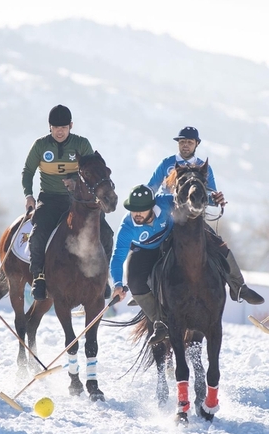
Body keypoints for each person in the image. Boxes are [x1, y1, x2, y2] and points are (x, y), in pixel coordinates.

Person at [147, 126, 263, 305]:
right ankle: (144, 290)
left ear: (196, 144)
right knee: (149, 247)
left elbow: (209, 195)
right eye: (182, 142)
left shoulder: (204, 167)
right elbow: (151, 189)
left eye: (189, 142)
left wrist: (216, 199)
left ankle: (239, 287)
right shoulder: (166, 164)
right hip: (169, 219)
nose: (185, 145)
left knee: (220, 246)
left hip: (194, 221)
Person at [22, 104, 114, 301]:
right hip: (49, 199)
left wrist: (74, 180)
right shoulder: (40, 145)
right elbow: (28, 171)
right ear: (50, 127)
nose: (60, 131)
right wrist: (28, 195)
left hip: (78, 200)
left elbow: (93, 169)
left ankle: (104, 277)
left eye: (64, 127)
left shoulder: (82, 144)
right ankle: (39, 276)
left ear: (71, 125)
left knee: (106, 232)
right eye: (56, 127)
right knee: (38, 234)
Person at [110, 185, 174, 344]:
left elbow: (187, 200)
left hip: (172, 241)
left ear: (152, 207)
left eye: (142, 210)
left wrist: (213, 199)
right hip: (145, 250)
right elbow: (118, 257)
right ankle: (160, 323)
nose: (137, 214)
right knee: (134, 281)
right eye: (133, 209)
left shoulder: (164, 203)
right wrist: (118, 284)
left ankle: (237, 285)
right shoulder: (127, 227)